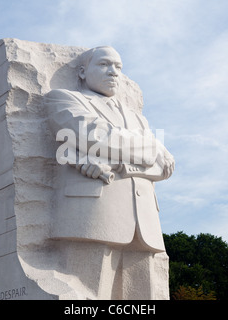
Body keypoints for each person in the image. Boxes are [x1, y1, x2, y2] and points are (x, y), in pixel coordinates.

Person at [43, 46, 175, 299]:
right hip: (94, 215)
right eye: (104, 65)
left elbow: (166, 167)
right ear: (82, 72)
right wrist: (152, 145)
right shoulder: (63, 98)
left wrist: (118, 158)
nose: (114, 72)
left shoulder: (138, 119)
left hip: (145, 221)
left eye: (118, 67)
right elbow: (94, 135)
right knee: (87, 297)